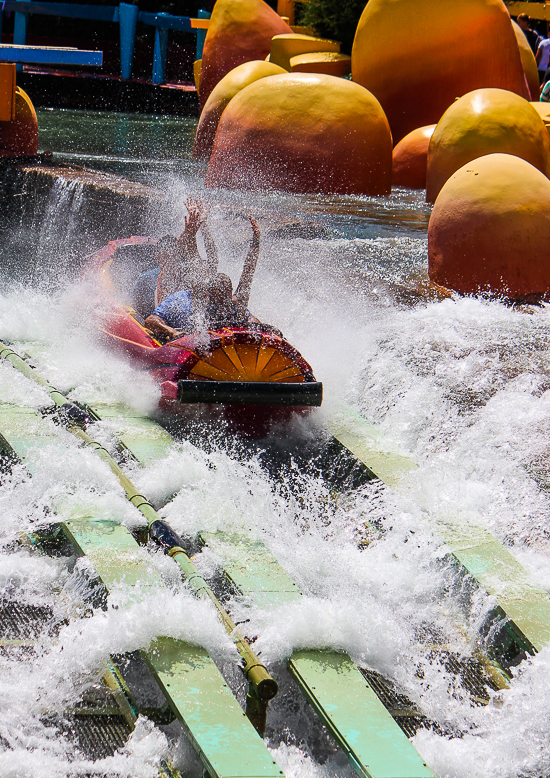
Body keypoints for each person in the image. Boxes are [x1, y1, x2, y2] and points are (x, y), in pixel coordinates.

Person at [144, 217, 262, 341]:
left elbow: (247, 275)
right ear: (209, 294)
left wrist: (256, 241)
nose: (223, 302)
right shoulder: (186, 301)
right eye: (219, 297)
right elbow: (192, 258)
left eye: (226, 296)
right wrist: (190, 233)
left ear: (230, 293)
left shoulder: (234, 304)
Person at [131, 197, 218, 319]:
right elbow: (175, 257)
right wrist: (188, 233)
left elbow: (212, 259)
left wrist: (203, 224)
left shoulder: (199, 285)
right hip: (168, 330)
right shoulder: (167, 280)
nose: (202, 274)